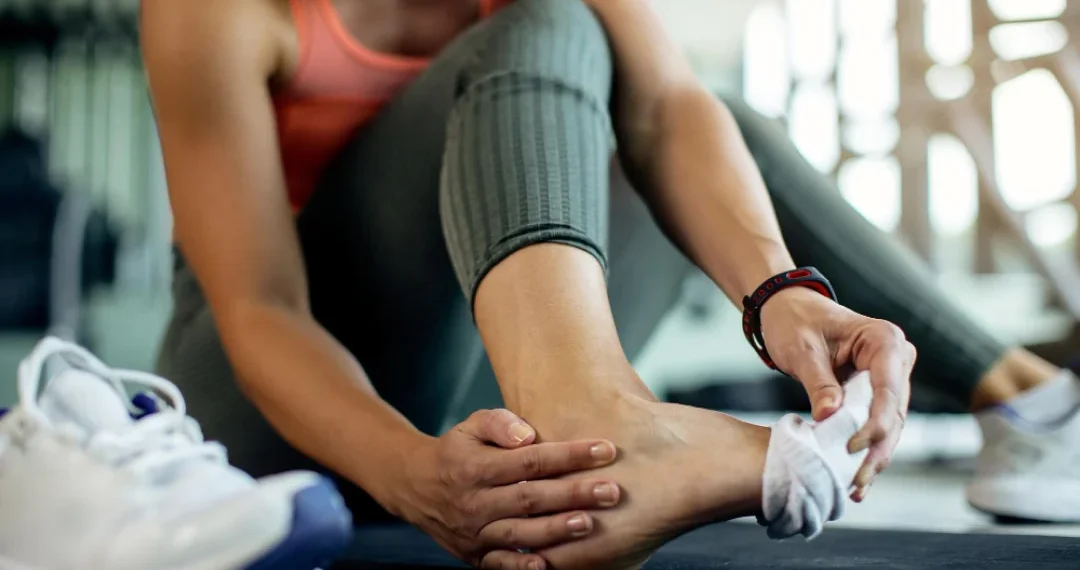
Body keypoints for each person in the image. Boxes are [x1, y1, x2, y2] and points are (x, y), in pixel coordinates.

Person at [140, 0, 1080, 568]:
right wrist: (412, 480)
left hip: (458, 369)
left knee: (702, 117)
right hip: (265, 415)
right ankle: (596, 410)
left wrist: (782, 293)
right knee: (545, 22)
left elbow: (671, 112)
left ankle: (1034, 410)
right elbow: (260, 308)